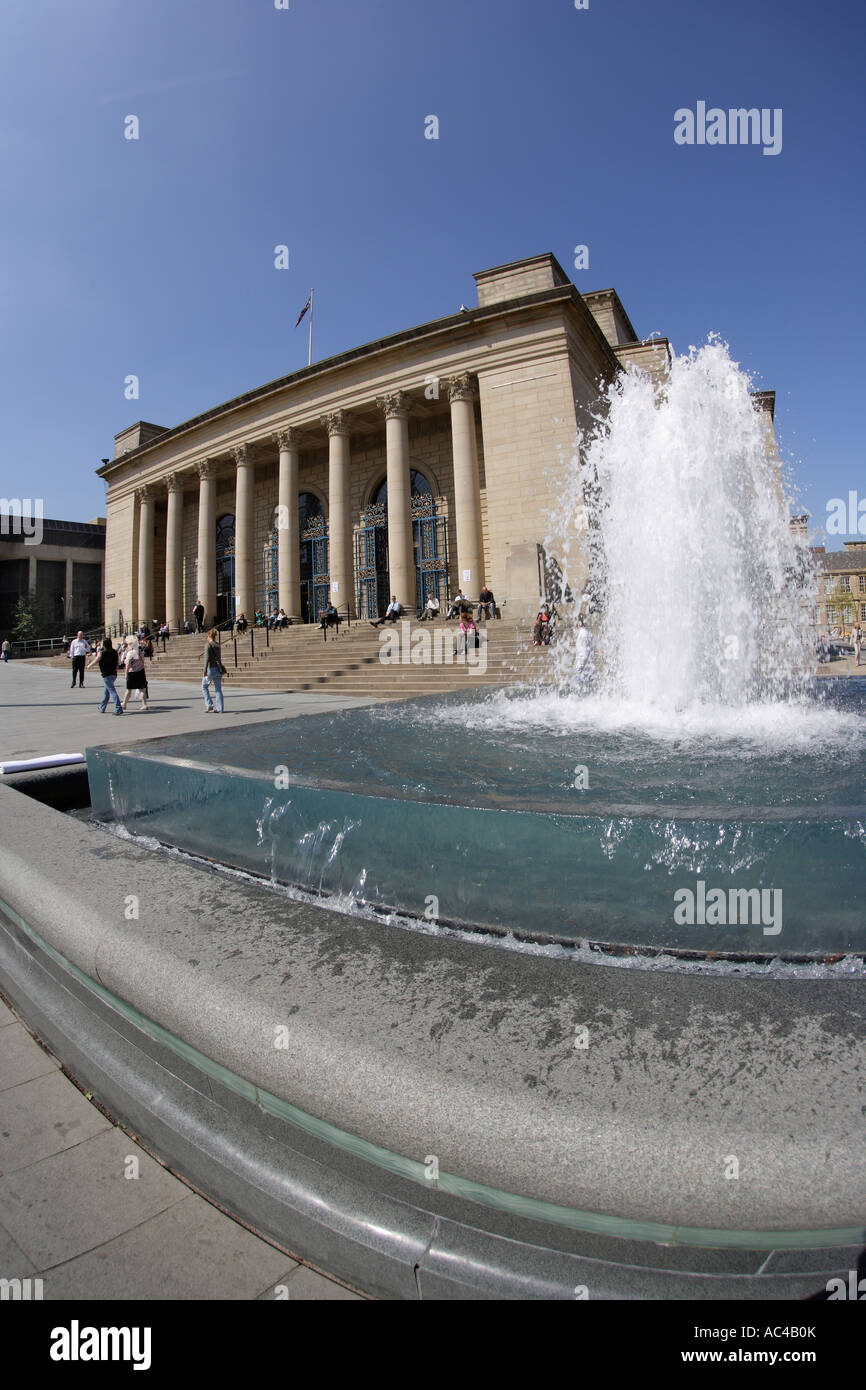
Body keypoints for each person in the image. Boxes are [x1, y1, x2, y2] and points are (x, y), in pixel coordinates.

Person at [88, 637, 123, 714]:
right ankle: (102, 707)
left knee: (112, 692)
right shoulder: (115, 652)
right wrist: (116, 670)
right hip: (113, 674)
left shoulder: (102, 653)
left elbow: (95, 660)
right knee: (106, 692)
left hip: (106, 674)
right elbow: (118, 662)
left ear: (104, 644)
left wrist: (89, 666)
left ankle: (118, 708)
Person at [202, 627, 225, 713]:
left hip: (210, 669)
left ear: (209, 635)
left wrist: (204, 671)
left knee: (204, 686)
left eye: (207, 636)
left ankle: (209, 705)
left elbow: (207, 659)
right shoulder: (217, 645)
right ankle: (220, 708)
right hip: (218, 669)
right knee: (218, 689)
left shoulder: (208, 645)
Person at [121, 640, 149, 711]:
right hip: (141, 671)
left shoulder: (130, 653)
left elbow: (128, 664)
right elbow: (143, 661)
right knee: (142, 689)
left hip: (132, 672)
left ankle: (124, 703)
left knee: (129, 689)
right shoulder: (140, 652)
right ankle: (144, 704)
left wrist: (126, 674)